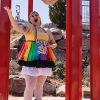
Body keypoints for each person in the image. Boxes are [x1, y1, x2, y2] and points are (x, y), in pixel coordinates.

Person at [4, 6, 57, 100]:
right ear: (30, 20)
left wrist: (52, 45)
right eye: (32, 15)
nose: (34, 16)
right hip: (31, 58)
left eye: (36, 14)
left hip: (44, 58)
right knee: (30, 86)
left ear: (39, 18)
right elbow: (16, 27)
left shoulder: (47, 31)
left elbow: (54, 43)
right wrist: (9, 14)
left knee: (39, 86)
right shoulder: (29, 27)